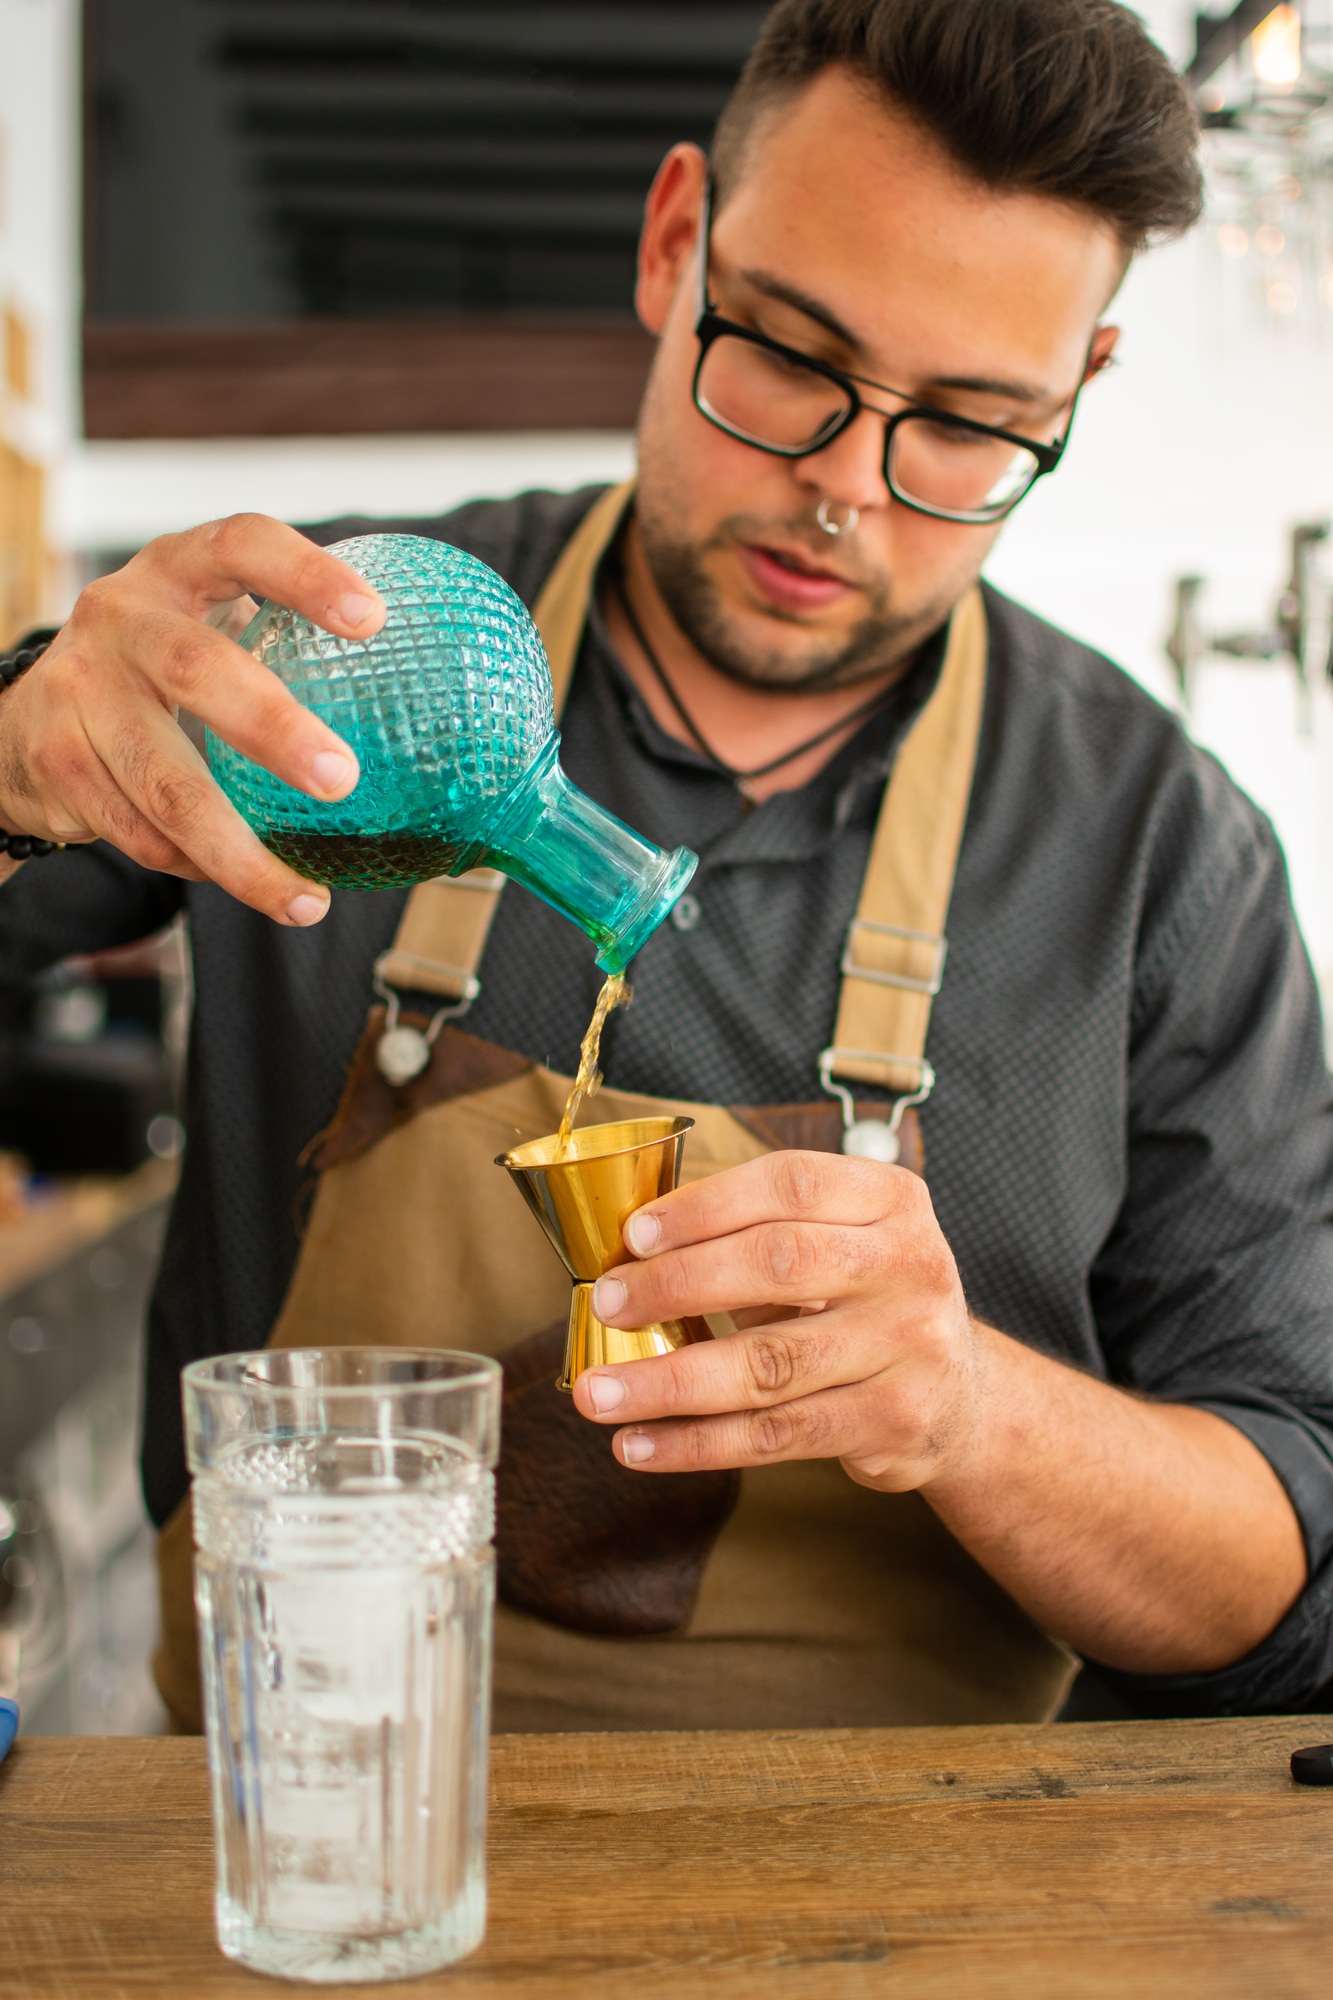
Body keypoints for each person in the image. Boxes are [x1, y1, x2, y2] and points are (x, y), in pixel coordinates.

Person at [3, 0, 1332, 1732]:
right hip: (318, 1858)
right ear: (671, 240)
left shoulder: (1165, 855)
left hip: (931, 1925)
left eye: (967, 426)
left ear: (1076, 389)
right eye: (785, 352)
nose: (847, 489)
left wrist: (970, 1412)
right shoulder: (335, 652)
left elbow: (1289, 1573)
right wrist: (19, 756)